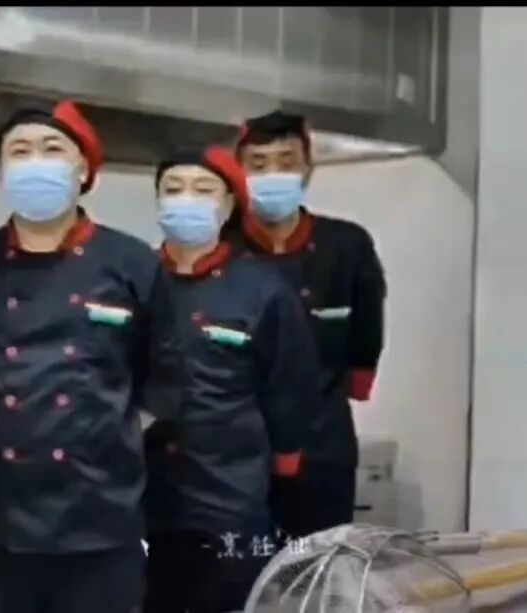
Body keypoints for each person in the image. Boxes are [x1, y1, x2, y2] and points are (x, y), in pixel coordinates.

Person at [0, 101, 181, 613]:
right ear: (3, 172)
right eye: (19, 152)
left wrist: (102, 434)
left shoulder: (133, 263)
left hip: (101, 522)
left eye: (52, 149)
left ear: (83, 170)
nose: (35, 163)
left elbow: (165, 379)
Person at [142, 146, 321, 612]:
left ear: (228, 207)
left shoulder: (263, 289)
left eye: (203, 190)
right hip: (142, 499)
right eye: (173, 189)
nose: (186, 200)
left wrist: (285, 469)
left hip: (228, 496)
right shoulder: (131, 278)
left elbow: (291, 384)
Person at [235, 110, 387, 537]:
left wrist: (359, 381)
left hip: (322, 442)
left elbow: (366, 327)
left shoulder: (346, 246)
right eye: (258, 163)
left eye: (286, 161)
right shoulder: (222, 247)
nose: (272, 174)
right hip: (237, 446)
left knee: (318, 563)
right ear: (238, 172)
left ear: (308, 168)